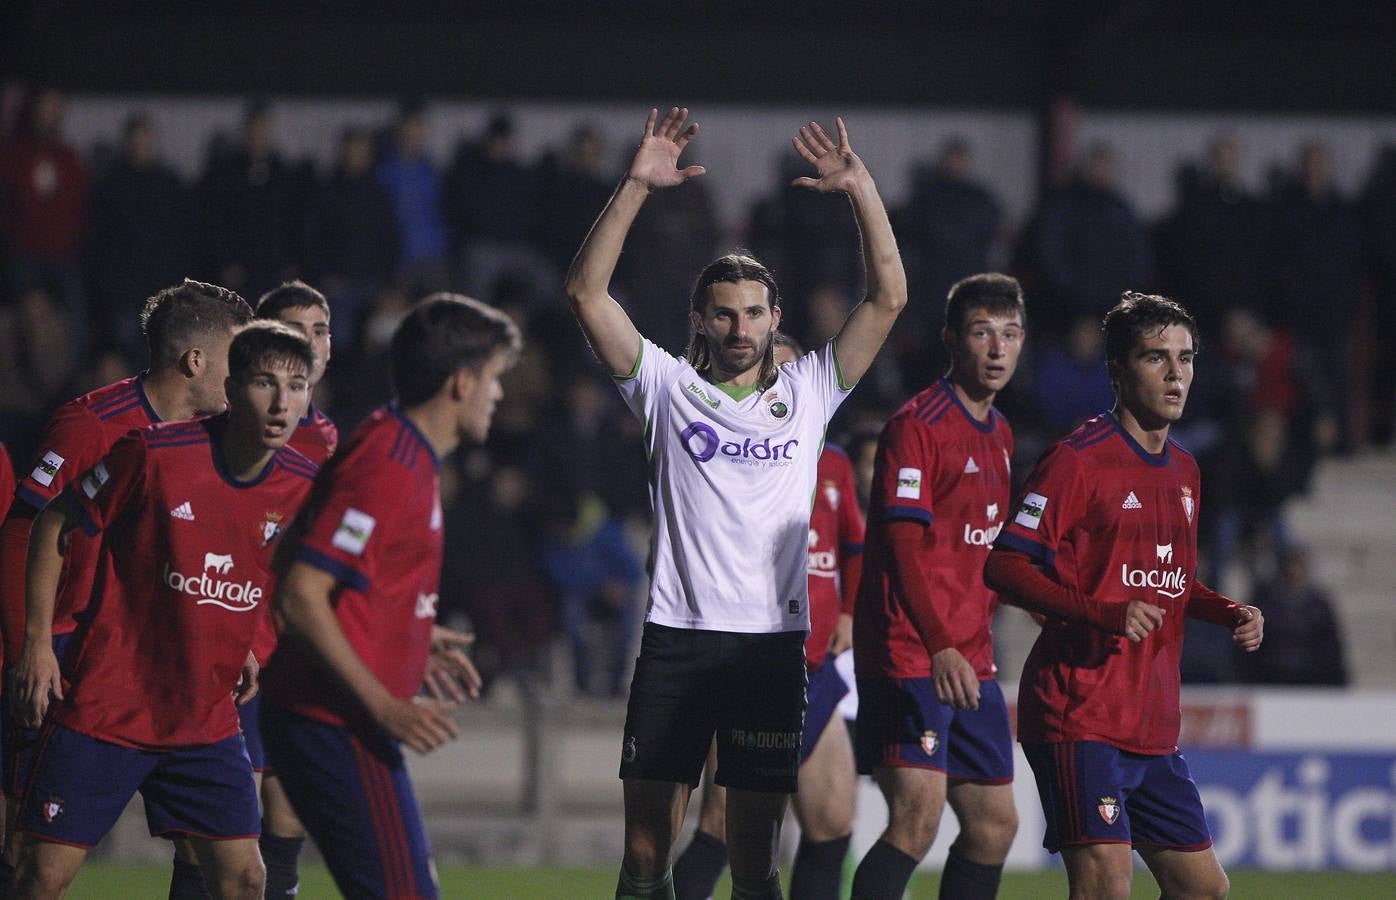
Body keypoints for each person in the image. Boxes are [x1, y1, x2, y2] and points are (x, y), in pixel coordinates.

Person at [564, 106, 906, 900]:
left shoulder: (813, 392)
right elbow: (586, 294)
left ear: (776, 319)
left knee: (755, 861)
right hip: (677, 643)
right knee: (646, 854)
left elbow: (888, 297)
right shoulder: (666, 389)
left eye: (755, 312)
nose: (740, 325)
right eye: (724, 312)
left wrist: (860, 188)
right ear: (700, 321)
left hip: (769, 651)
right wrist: (635, 186)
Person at [11, 322, 320, 899]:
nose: (282, 403)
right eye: (264, 383)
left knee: (246, 879)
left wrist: (245, 637)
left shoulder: (302, 483)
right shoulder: (155, 453)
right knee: (39, 879)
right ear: (231, 384)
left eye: (297, 387)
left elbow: (266, 569)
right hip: (110, 704)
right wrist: (35, 642)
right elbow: (54, 521)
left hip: (204, 717)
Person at [984, 291, 1265, 899]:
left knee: (1202, 887)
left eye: (1186, 358)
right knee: (1107, 883)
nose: (1175, 374)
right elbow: (1004, 565)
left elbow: (1170, 581)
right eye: (1156, 358)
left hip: (1151, 724)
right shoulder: (1078, 460)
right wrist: (1102, 613)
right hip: (1078, 711)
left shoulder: (1186, 470)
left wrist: (1229, 611)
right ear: (1118, 369)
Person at [258, 294, 520, 899]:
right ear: (461, 382)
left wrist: (403, 629)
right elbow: (300, 592)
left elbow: (306, 560)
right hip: (338, 724)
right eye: (494, 379)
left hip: (333, 720)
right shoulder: (390, 464)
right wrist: (384, 706)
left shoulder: (403, 452)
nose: (498, 395)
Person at [0, 279, 252, 889]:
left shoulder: (216, 445)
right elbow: (22, 532)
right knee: (36, 866)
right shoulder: (92, 424)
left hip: (178, 674)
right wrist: (28, 647)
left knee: (229, 865)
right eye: (236, 361)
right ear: (195, 361)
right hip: (79, 670)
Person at [849, 273, 1025, 899]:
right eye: (983, 333)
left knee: (994, 825)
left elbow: (981, 548)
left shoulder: (1002, 435)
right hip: (912, 650)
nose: (998, 349)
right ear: (954, 341)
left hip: (968, 657)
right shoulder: (917, 425)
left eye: (1009, 334)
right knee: (916, 818)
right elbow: (900, 546)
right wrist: (940, 641)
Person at [671, 334, 866, 900]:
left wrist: (849, 611)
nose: (778, 383)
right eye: (767, 372)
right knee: (723, 822)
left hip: (817, 668)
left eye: (788, 372)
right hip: (750, 664)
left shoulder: (831, 461)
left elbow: (854, 544)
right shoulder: (725, 453)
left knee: (830, 821)